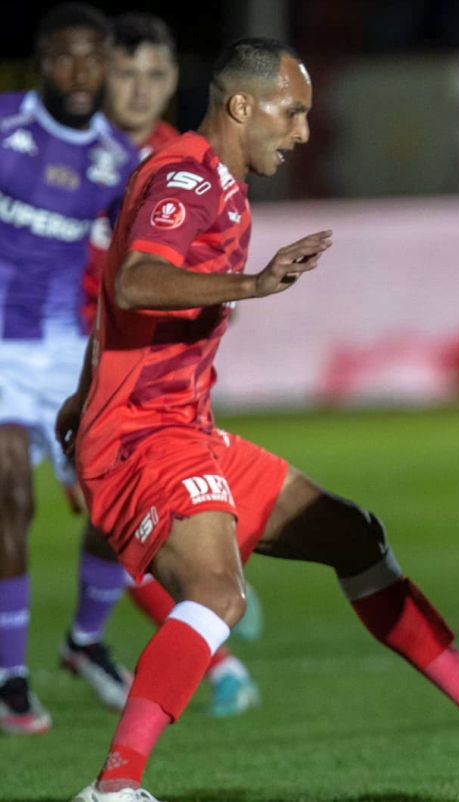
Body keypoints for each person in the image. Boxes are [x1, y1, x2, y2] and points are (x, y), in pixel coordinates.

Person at [60, 38, 459, 802]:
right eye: (292, 112)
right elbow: (136, 281)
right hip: (147, 434)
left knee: (352, 535)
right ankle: (115, 787)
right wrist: (253, 284)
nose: (303, 132)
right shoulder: (187, 178)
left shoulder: (216, 183)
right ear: (242, 105)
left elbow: (116, 290)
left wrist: (83, 393)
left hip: (178, 427)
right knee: (218, 595)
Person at [62, 11, 263, 721]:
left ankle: (90, 638)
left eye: (156, 74)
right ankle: (204, 645)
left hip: (149, 369)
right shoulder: (65, 152)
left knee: (116, 514)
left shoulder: (183, 159)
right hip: (70, 353)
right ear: (100, 76)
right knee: (92, 507)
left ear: (176, 79)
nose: (141, 88)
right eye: (126, 73)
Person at [0, 3, 139, 736]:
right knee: (10, 496)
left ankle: (84, 641)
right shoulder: (5, 128)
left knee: (116, 505)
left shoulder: (119, 161)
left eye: (93, 58)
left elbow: (137, 263)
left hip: (67, 353)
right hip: (1, 347)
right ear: (41, 63)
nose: (80, 73)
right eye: (64, 57)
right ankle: (10, 678)